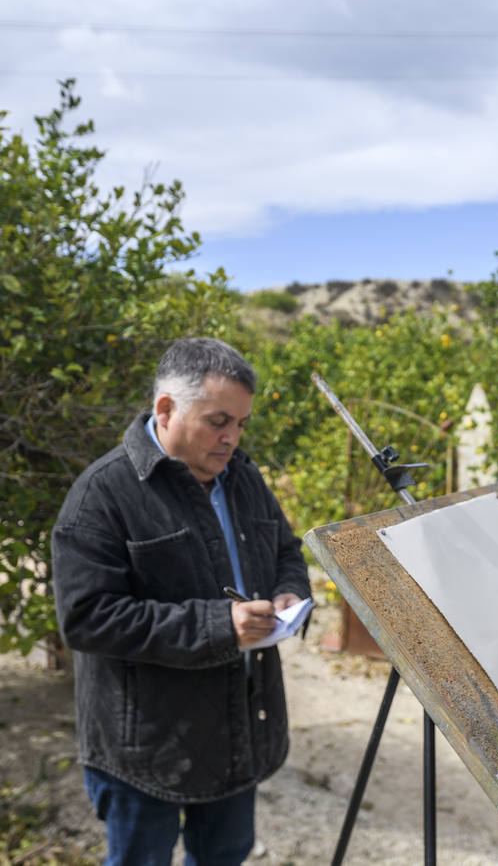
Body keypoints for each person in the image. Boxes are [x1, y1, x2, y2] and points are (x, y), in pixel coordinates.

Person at [52, 337, 311, 866]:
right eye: (219, 421)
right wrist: (221, 627)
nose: (232, 438)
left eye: (240, 424)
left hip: (237, 728)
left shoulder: (244, 478)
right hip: (145, 743)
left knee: (226, 855)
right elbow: (87, 618)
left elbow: (286, 549)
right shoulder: (101, 495)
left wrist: (290, 591)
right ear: (165, 409)